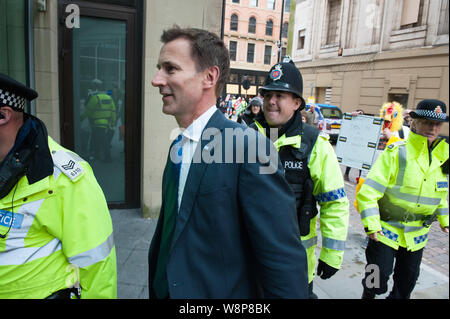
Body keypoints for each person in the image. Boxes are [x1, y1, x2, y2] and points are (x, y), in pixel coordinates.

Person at [148, 26, 308, 299]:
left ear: (209, 77)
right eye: (159, 68)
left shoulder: (249, 148)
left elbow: (281, 263)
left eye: (170, 69)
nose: (157, 80)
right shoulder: (178, 144)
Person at [0, 73, 117, 298]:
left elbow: (96, 264)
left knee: (99, 146)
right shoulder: (108, 99)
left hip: (96, 126)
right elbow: (112, 113)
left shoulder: (65, 177)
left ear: (4, 114)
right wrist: (110, 122)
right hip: (105, 126)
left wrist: (84, 118)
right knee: (104, 148)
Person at [250, 60, 349, 299]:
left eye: (281, 95)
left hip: (293, 268)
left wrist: (331, 255)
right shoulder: (246, 137)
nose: (272, 101)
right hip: (249, 264)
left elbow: (334, 202)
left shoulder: (316, 145)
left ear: (296, 103)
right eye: (268, 95)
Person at [357, 99, 449, 299]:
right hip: (385, 230)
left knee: (406, 283)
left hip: (416, 235)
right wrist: (372, 225)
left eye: (437, 124)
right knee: (375, 277)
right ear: (414, 123)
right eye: (427, 122)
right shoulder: (396, 153)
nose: (432, 128)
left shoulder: (443, 157)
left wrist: (445, 219)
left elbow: (440, 194)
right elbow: (369, 192)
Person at [80, 79, 116, 162]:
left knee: (101, 140)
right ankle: (99, 155)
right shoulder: (109, 98)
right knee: (102, 140)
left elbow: (88, 111)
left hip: (96, 123)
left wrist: (80, 119)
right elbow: (113, 111)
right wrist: (113, 122)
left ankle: (105, 157)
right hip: (106, 123)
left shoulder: (94, 98)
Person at [344, 109, 364, 182]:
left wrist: (360, 113)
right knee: (351, 160)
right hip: (353, 144)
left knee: (361, 162)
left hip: (361, 144)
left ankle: (360, 177)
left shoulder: (365, 122)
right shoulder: (353, 121)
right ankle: (346, 174)